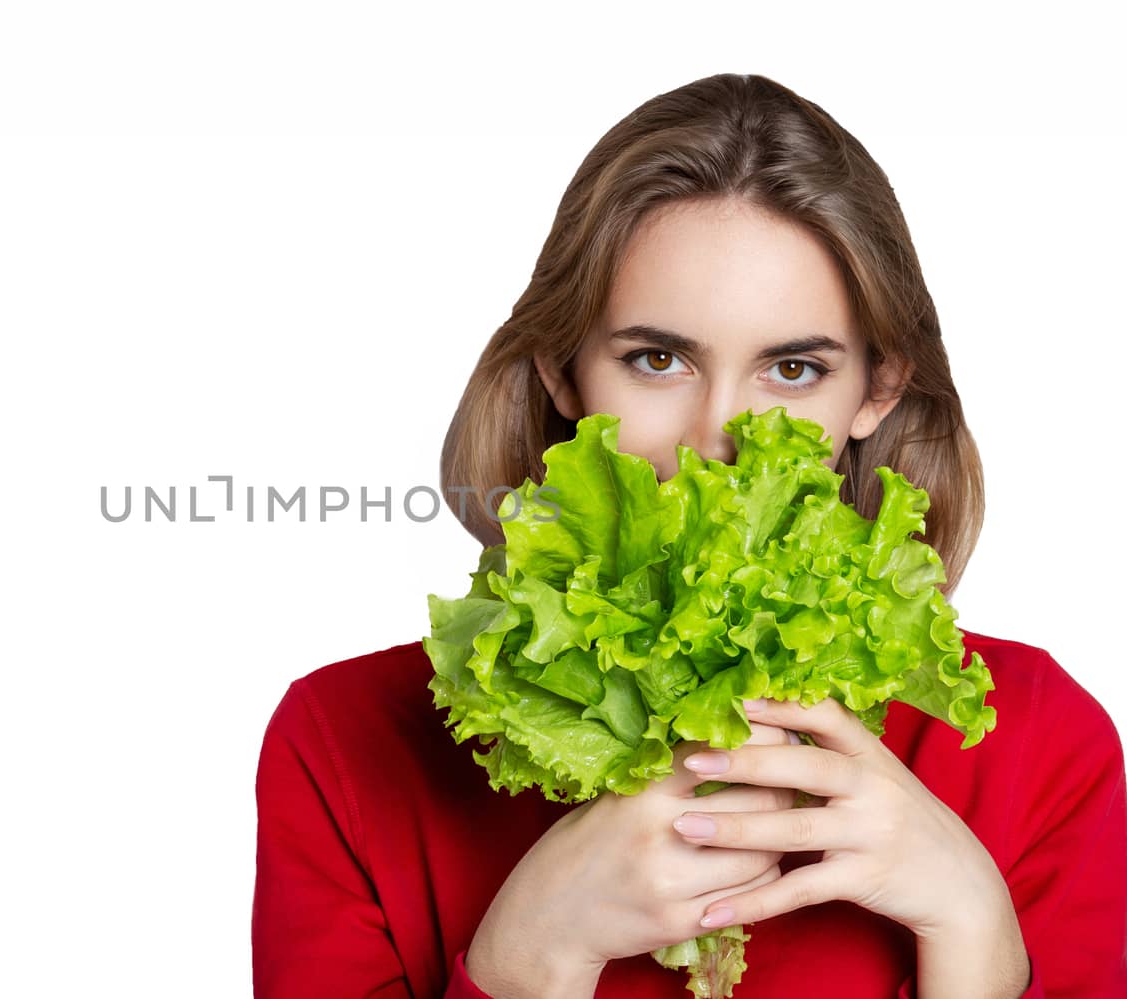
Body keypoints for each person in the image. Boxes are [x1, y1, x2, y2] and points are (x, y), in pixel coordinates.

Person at [251, 73, 1127, 998]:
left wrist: (974, 932)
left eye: (792, 369)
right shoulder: (345, 744)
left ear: (877, 390)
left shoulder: (1037, 747)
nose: (719, 443)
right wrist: (527, 956)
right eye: (656, 359)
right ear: (561, 371)